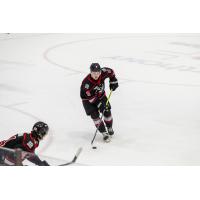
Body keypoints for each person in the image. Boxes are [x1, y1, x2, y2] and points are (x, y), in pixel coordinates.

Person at [80, 63, 119, 142]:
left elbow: (111, 72)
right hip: (88, 100)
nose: (96, 75)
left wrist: (113, 80)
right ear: (90, 72)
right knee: (95, 116)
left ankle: (109, 127)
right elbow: (91, 99)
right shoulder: (86, 84)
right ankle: (104, 133)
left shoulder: (104, 72)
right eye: (94, 73)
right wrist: (101, 105)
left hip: (100, 95)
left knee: (107, 111)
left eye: (98, 73)